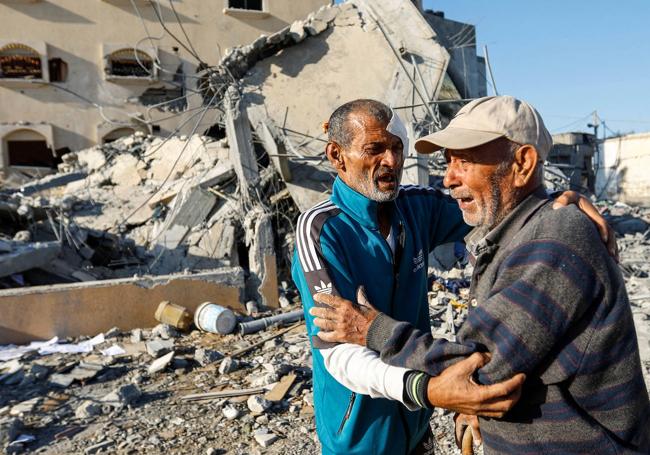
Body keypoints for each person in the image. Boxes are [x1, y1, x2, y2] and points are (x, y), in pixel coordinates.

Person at [310, 96, 650, 454]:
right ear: (336, 156)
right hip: (361, 434)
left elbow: (480, 366)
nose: (449, 178)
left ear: (522, 163)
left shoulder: (551, 239)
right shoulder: (322, 231)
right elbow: (336, 349)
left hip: (423, 425)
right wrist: (441, 395)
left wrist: (377, 332)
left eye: (465, 161)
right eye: (375, 148)